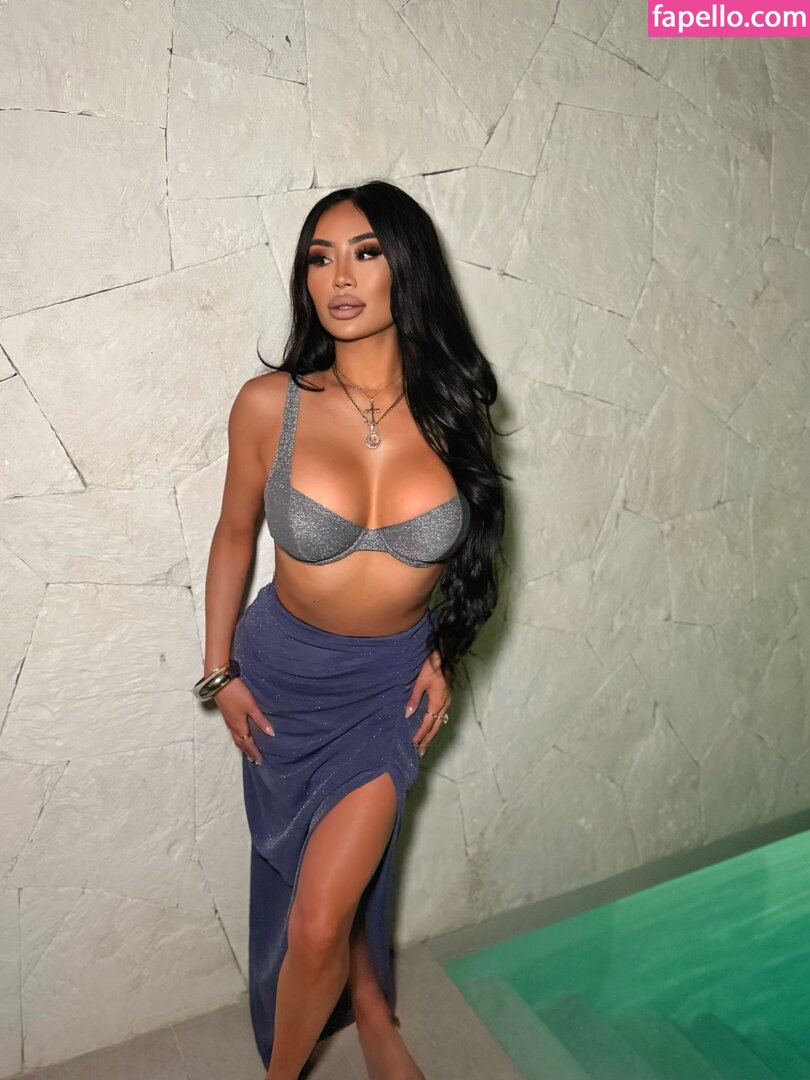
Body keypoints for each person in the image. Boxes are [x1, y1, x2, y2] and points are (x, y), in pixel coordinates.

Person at [194, 180, 507, 1080]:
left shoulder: (455, 407)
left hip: (384, 692)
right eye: (319, 257)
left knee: (323, 913)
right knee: (315, 889)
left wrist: (445, 656)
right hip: (282, 683)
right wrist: (219, 674)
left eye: (365, 253)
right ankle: (369, 1004)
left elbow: (479, 551)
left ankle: (311, 1052)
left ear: (406, 266)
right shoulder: (270, 404)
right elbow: (232, 536)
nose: (339, 277)